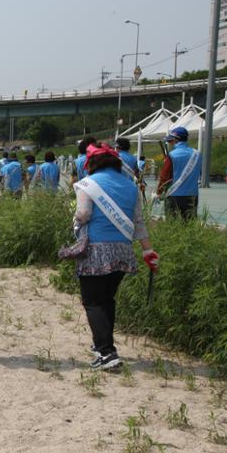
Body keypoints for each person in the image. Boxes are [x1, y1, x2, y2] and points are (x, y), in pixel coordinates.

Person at [73, 142, 158, 370]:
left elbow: (83, 213)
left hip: (96, 250)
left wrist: (76, 222)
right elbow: (138, 222)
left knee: (92, 301)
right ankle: (103, 343)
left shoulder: (87, 184)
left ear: (91, 164)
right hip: (123, 250)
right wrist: (148, 250)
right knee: (107, 299)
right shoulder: (130, 186)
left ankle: (107, 353)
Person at [156, 126, 200, 220]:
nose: (169, 143)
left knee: (172, 224)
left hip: (174, 195)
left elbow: (165, 177)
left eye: (170, 141)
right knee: (189, 224)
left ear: (176, 140)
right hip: (192, 195)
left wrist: (159, 192)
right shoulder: (197, 154)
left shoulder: (172, 155)